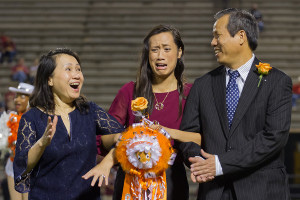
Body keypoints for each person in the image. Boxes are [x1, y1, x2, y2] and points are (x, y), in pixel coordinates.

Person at [179, 8, 292, 200]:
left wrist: (220, 164)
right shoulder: (202, 85)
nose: (212, 42)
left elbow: (274, 137)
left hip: (262, 191)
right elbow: (188, 135)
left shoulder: (277, 81)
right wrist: (200, 162)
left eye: (217, 36)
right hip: (214, 191)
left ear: (241, 36)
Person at [84, 25, 201, 200]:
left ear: (179, 52)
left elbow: (202, 137)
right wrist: (122, 137)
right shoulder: (129, 91)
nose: (160, 56)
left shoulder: (192, 94)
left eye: (167, 49)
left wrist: (167, 133)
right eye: (155, 50)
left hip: (171, 185)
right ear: (148, 55)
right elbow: (104, 138)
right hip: (130, 185)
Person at [13, 48, 124, 200]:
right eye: (69, 69)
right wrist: (41, 144)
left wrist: (107, 162)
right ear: (49, 79)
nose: (77, 75)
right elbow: (22, 166)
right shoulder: (31, 118)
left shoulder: (90, 111)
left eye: (78, 69)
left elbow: (125, 138)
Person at [5, 83, 34, 200]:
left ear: (30, 100)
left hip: (30, 169)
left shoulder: (36, 120)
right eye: (16, 96)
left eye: (22, 96)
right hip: (12, 166)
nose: (17, 99)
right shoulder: (8, 119)